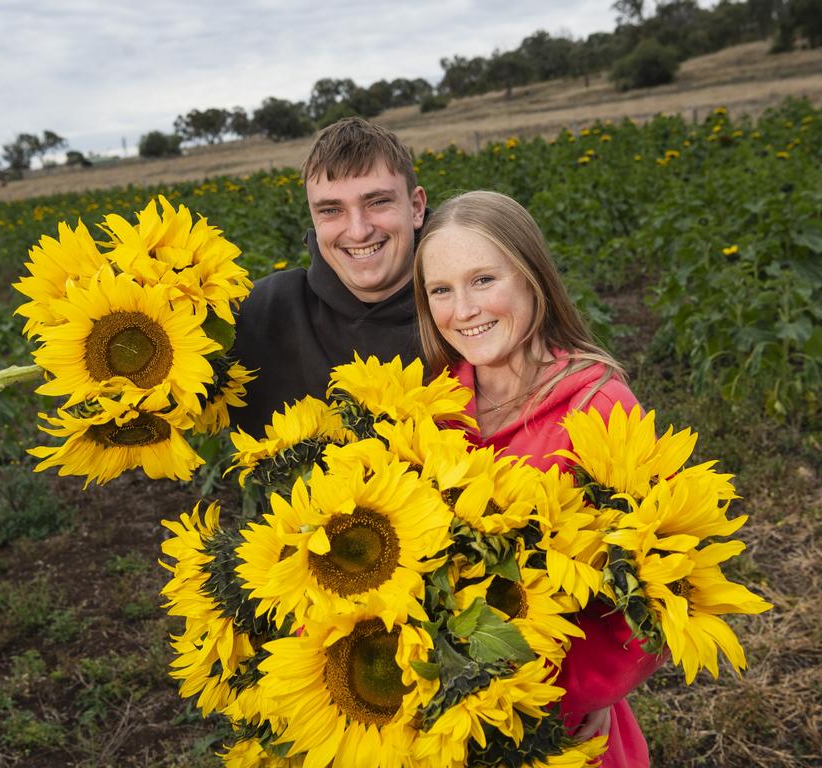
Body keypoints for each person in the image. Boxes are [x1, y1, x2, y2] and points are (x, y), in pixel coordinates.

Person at [413, 190, 662, 768]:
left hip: (559, 730)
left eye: (483, 279)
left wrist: (586, 692)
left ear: (533, 279)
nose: (464, 309)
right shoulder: (426, 412)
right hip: (450, 721)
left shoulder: (599, 407)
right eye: (441, 290)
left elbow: (660, 582)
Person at [229, 117, 427, 436]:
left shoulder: (468, 312)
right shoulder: (260, 313)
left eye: (377, 202)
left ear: (416, 208)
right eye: (331, 210)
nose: (359, 230)